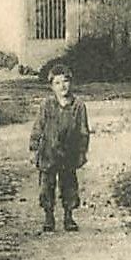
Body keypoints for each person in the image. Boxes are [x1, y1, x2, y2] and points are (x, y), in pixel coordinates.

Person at [30, 64, 91, 233]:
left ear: (71, 83)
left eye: (65, 82)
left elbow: (83, 131)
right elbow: (38, 128)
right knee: (46, 186)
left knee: (69, 185)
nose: (62, 86)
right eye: (57, 83)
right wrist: (33, 148)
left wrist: (82, 152)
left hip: (68, 153)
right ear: (52, 86)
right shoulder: (46, 105)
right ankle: (48, 216)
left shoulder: (78, 106)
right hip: (48, 152)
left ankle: (69, 216)